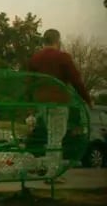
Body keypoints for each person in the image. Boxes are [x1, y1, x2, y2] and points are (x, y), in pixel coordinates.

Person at [27, 28, 92, 182]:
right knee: (56, 137)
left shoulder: (35, 58)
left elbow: (29, 82)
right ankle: (52, 173)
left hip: (42, 103)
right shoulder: (62, 57)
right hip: (58, 102)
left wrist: (30, 103)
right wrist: (87, 100)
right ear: (58, 41)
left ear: (44, 41)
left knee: (51, 135)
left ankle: (49, 168)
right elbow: (76, 81)